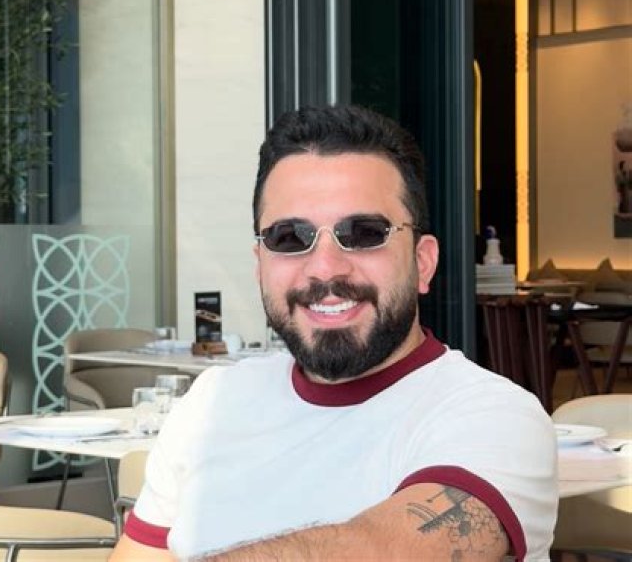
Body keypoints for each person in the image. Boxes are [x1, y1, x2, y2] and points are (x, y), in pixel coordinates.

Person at [110, 105, 557, 561]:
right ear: (260, 265)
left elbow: (388, 553)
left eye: (364, 233)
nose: (325, 268)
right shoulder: (211, 403)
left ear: (423, 262)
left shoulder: (495, 416)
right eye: (289, 238)